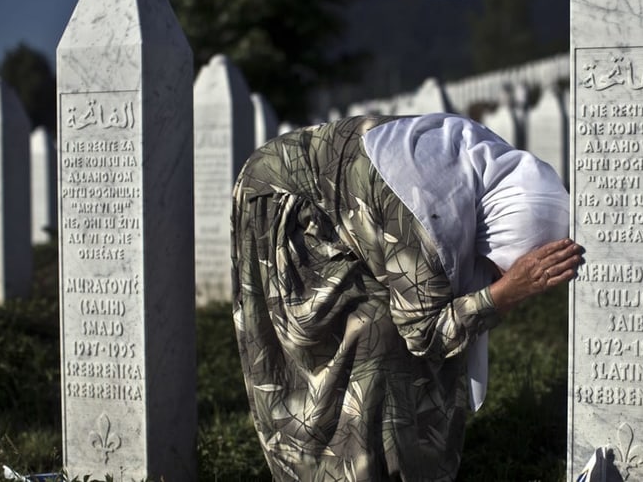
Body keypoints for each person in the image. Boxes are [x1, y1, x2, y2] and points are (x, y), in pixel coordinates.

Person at [231, 113, 585, 481]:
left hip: (337, 199)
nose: (495, 275)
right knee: (374, 336)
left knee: (400, 324)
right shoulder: (430, 215)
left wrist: (498, 289)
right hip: (284, 202)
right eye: (500, 268)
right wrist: (504, 294)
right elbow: (424, 332)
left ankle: (397, 465)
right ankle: (344, 470)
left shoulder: (477, 171)